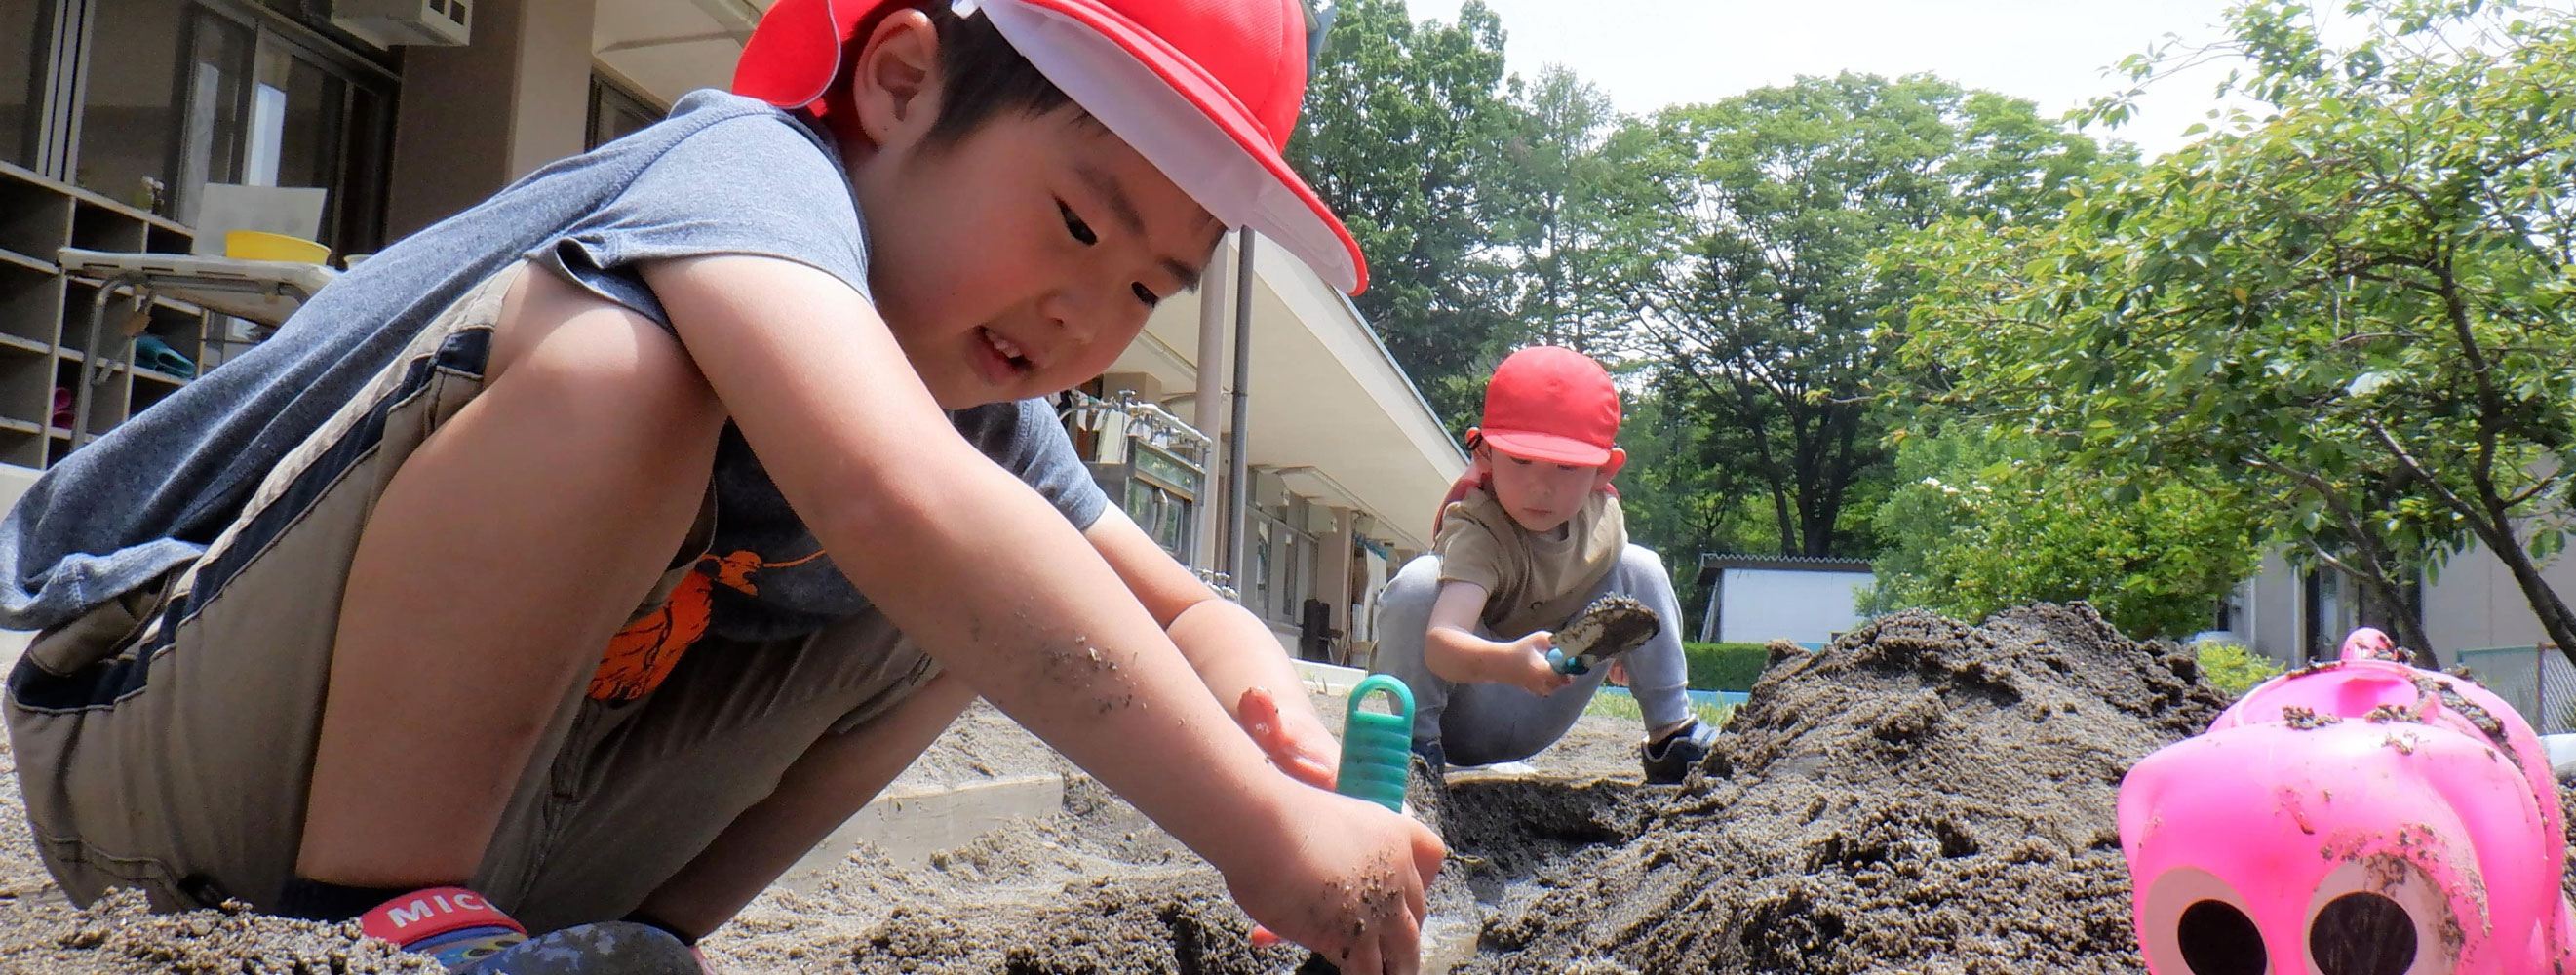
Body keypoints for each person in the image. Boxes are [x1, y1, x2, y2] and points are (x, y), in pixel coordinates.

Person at [0, 1, 1443, 972]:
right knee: (627, 377)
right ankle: (390, 928)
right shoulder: (750, 172)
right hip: (151, 723)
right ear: (896, 83)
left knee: (998, 581)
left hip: (488, 822)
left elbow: (1176, 602)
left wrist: (1262, 706)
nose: (1087, 315)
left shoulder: (971, 406)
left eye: (1143, 286)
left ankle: (629, 945)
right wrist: (1263, 844)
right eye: (1075, 222)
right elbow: (886, 490)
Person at [1371, 347, 1719, 786]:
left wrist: (1630, 649)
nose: (1541, 486)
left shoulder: (1601, 517)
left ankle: (1672, 734)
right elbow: (1442, 645)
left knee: (1639, 565)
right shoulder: (1481, 530)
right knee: (1418, 585)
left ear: (1603, 472)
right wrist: (1507, 662)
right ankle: (1414, 755)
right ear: (1484, 454)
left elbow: (1630, 596)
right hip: (1457, 712)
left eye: (1566, 466)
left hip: (1547, 702)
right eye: (1520, 460)